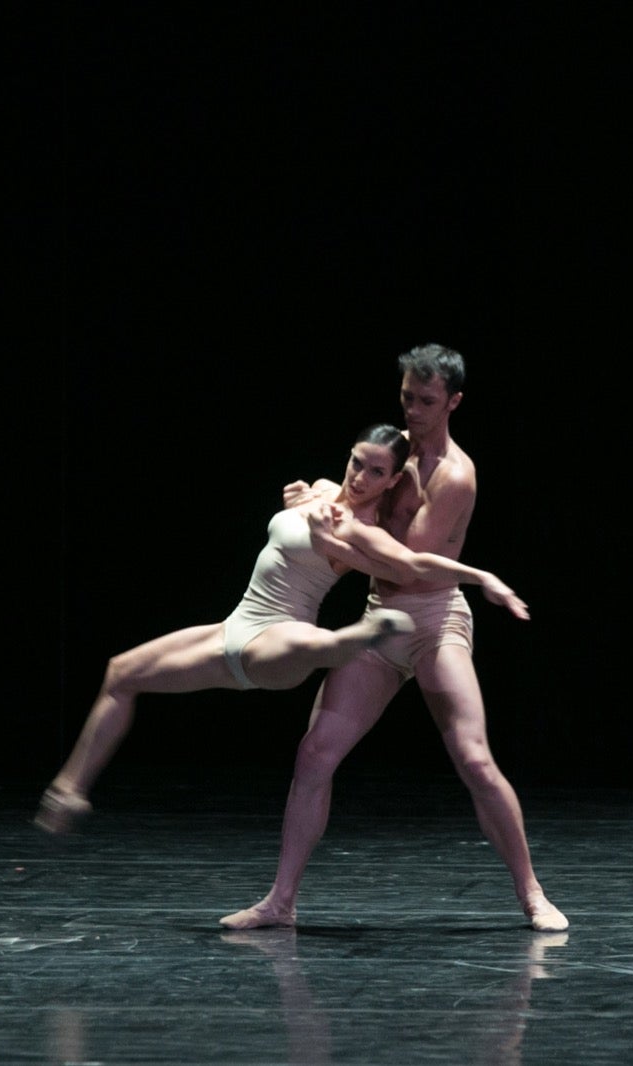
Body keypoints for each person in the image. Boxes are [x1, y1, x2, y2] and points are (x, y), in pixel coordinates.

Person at [220, 344, 568, 933]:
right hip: (381, 620)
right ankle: (281, 901)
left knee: (475, 760)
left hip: (434, 621)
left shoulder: (454, 475)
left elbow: (407, 565)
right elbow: (349, 503)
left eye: (426, 401)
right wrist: (309, 502)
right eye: (407, 396)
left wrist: (331, 530)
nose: (413, 410)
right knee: (314, 753)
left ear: (453, 402)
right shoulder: (387, 454)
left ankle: (532, 893)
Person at [34, 423, 531, 835]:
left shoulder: (359, 529)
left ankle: (349, 641)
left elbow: (414, 563)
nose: (360, 476)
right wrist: (300, 497)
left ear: (391, 480)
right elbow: (309, 499)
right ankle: (69, 790)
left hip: (282, 637)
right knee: (121, 672)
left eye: (376, 471)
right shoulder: (317, 492)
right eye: (358, 462)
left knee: (309, 641)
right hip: (235, 626)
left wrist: (481, 576)